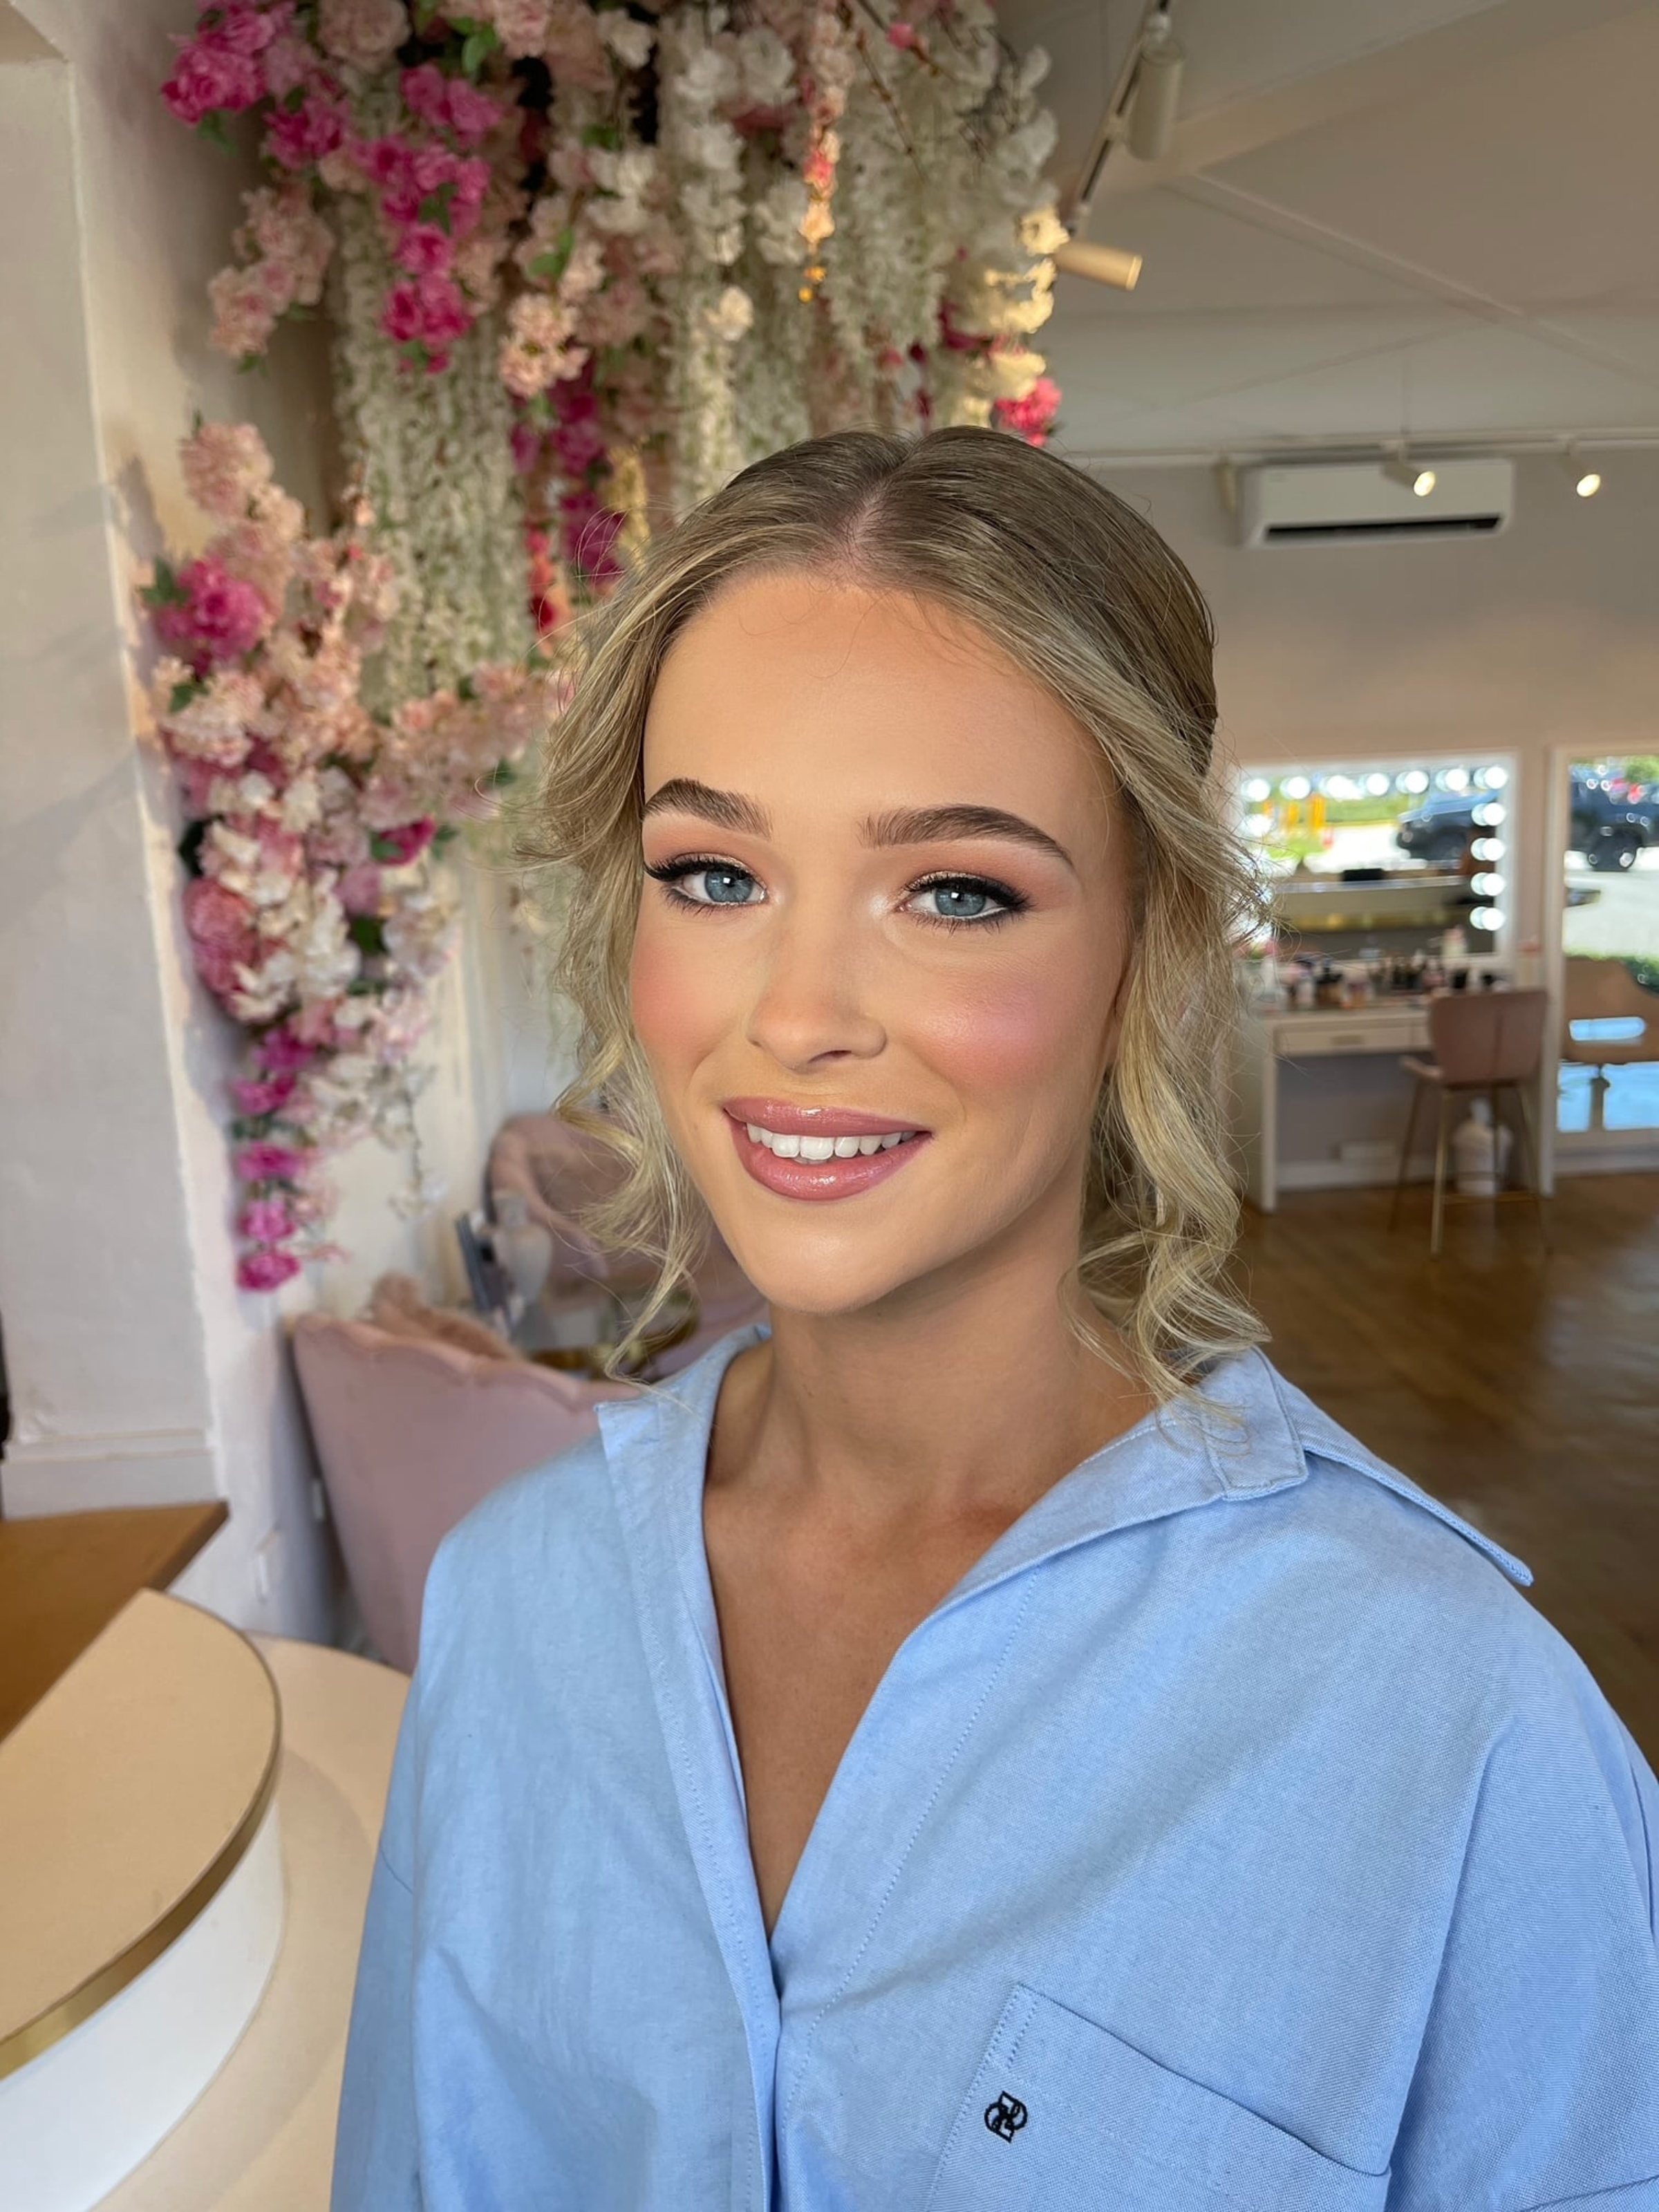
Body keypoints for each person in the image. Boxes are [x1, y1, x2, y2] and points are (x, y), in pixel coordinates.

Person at [331, 427, 1659, 2211]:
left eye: (956, 890)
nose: (796, 1016)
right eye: (714, 873)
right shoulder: (512, 1606)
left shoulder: (1457, 1733)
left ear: (1147, 948)